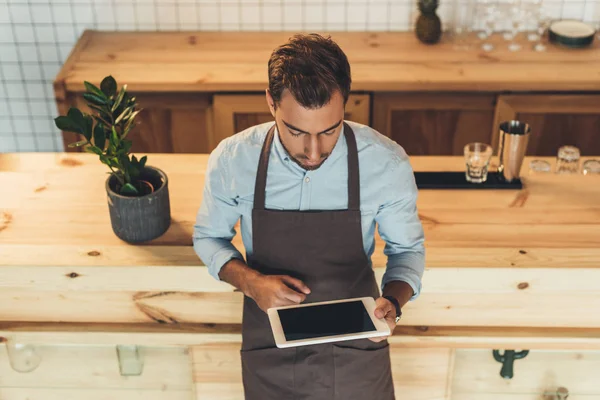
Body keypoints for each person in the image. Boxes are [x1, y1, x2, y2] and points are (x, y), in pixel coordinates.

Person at [193, 33, 425, 400]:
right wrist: (252, 283)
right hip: (271, 347)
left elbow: (407, 250)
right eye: (296, 131)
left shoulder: (386, 163)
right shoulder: (233, 160)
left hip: (358, 349)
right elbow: (209, 237)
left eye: (329, 131)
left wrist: (394, 303)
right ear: (271, 103)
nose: (314, 152)